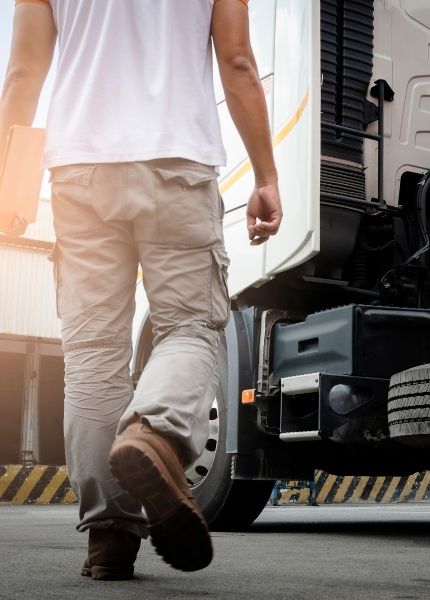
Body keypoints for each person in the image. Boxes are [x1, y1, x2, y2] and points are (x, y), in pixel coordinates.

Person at [0, 0, 282, 580]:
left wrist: (10, 185)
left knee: (93, 357)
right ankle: (155, 433)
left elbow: (25, 72)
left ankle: (109, 537)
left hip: (79, 171)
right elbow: (237, 61)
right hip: (177, 166)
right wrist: (266, 176)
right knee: (190, 326)